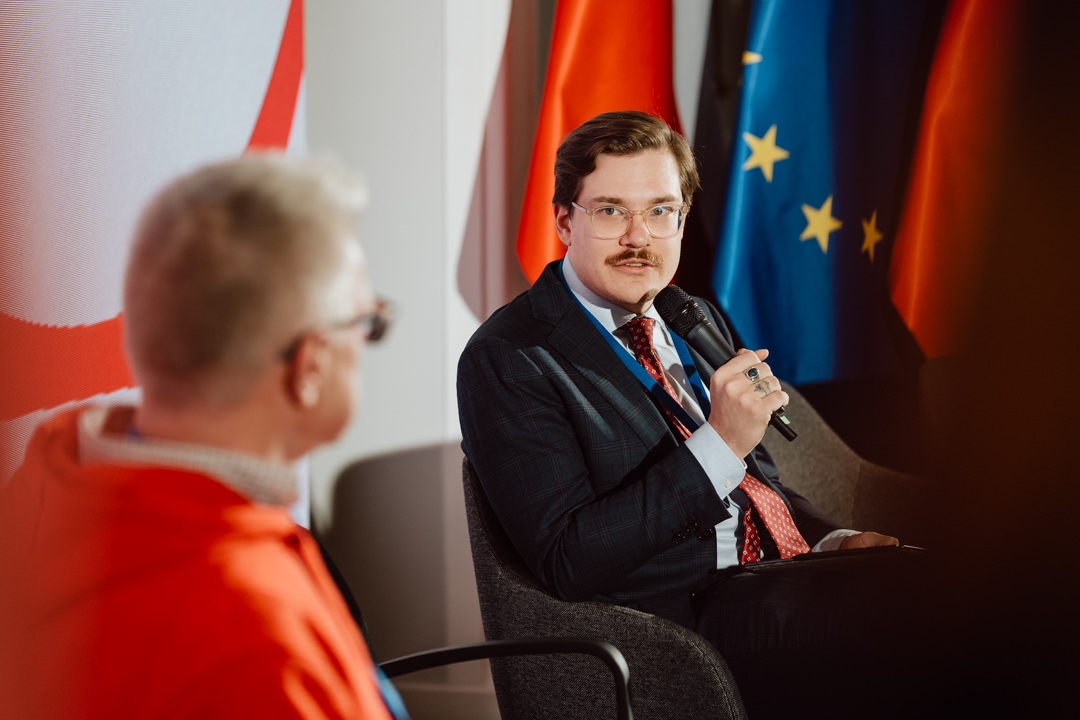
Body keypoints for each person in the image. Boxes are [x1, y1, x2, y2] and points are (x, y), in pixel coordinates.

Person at [457, 111, 943, 718]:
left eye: (661, 211)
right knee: (934, 615)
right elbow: (569, 559)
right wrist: (718, 443)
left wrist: (834, 542)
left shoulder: (691, 316)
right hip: (676, 622)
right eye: (611, 211)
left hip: (771, 583)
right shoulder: (511, 355)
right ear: (563, 220)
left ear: (683, 220)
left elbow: (759, 490)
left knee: (966, 585)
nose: (640, 237)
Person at [0, 154, 406, 719]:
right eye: (369, 325)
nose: (367, 343)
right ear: (308, 366)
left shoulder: (43, 500)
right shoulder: (259, 640)